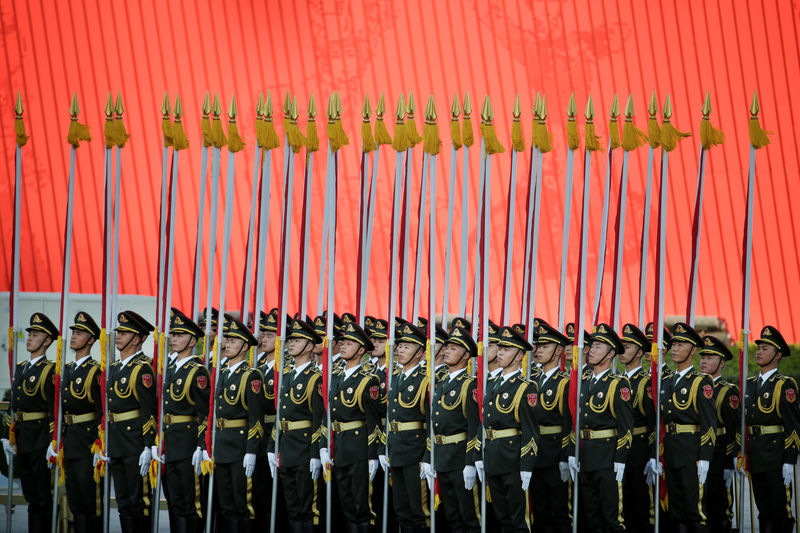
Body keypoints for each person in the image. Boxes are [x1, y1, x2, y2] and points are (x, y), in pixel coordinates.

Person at [572, 323, 633, 533]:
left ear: (611, 353)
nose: (591, 350)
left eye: (598, 346)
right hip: (586, 456)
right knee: (592, 518)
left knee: (612, 519)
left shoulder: (618, 384)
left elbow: (626, 427)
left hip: (607, 458)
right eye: (592, 346)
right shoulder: (583, 381)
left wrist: (620, 459)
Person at [320, 321, 381, 532]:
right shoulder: (335, 377)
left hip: (359, 448)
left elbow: (374, 423)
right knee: (345, 502)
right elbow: (327, 415)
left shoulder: (368, 380)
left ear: (361, 350)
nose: (343, 346)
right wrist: (322, 445)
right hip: (339, 446)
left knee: (360, 506)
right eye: (343, 342)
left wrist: (373, 455)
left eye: (349, 343)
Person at [656, 322, 716, 532]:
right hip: (672, 451)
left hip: (692, 453)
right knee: (677, 511)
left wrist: (705, 458)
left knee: (696, 512)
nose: (674, 348)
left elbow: (709, 424)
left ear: (693, 350)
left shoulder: (701, 382)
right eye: (673, 344)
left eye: (680, 344)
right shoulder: (667, 380)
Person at [268, 318, 325, 532]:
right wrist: (272, 447)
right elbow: (281, 414)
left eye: (297, 340)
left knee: (308, 507)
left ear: (310, 346)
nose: (291, 343)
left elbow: (319, 420)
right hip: (287, 448)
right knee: (292, 507)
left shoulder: (316, 378)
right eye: (290, 339)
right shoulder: (287, 375)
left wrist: (315, 454)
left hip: (304, 448)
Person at [2, 313, 57, 533]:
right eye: (30, 334)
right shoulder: (21, 367)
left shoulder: (50, 369)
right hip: (23, 437)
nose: (30, 338)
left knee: (41, 498)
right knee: (30, 495)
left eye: (35, 335)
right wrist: (8, 434)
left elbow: (53, 410)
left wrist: (54, 440)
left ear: (47, 341)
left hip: (40, 438)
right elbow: (13, 404)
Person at [481, 325, 538, 532]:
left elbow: (531, 431)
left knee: (519, 520)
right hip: (494, 457)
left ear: (518, 356)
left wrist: (526, 465)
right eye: (500, 348)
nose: (500, 353)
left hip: (513, 459)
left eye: (506, 350)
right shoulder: (493, 382)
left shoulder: (525, 386)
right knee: (502, 518)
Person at [423, 326, 481, 532]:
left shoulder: (470, 385)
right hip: (442, 458)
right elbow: (434, 424)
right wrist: (428, 457)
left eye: (453, 348)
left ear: (466, 355)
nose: (446, 351)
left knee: (469, 517)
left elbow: (475, 427)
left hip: (459, 458)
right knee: (453, 517)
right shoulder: (440, 382)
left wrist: (470, 463)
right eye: (446, 347)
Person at [157, 309, 210, 532]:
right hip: (170, 442)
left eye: (179, 335)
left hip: (188, 445)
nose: (173, 339)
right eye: (173, 335)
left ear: (192, 341)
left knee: (191, 504)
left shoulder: (198, 372)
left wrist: (201, 445)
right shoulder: (170, 369)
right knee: (175, 502)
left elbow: (204, 414)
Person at [745, 325, 800, 532]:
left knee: (780, 511)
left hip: (776, 455)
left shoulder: (784, 384)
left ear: (778, 355)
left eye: (765, 348)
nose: (759, 351)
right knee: (763, 510)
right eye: (759, 347)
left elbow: (793, 426)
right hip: (757, 454)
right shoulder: (750, 384)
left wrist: (789, 460)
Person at [211, 315, 264, 530]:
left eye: (233, 342)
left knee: (243, 504)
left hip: (239, 446)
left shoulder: (251, 376)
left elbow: (256, 419)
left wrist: (251, 451)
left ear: (244, 347)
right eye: (228, 340)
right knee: (225, 503)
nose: (228, 345)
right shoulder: (222, 373)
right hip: (222, 444)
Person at [106, 310, 157, 532]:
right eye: (118, 332)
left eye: (124, 333)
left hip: (135, 442)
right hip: (116, 441)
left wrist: (148, 445)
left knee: (139, 503)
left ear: (138, 339)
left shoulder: (144, 368)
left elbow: (149, 411)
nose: (118, 336)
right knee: (124, 503)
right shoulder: (115, 368)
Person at [55, 312, 103, 533]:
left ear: (92, 339)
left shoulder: (96, 370)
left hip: (87, 442)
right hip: (71, 441)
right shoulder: (66, 369)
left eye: (80, 333)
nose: (74, 336)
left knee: (89, 500)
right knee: (74, 499)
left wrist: (100, 442)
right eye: (73, 332)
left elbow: (102, 410)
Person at [382, 321, 431, 532]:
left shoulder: (426, 380)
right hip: (397, 450)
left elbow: (430, 422)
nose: (400, 350)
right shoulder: (396, 377)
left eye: (407, 347)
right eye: (400, 346)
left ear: (420, 352)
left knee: (419, 512)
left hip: (415, 453)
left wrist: (428, 457)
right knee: (401, 510)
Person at [530, 320, 573, 533]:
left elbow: (568, 424)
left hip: (555, 454)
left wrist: (566, 457)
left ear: (558, 351)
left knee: (558, 512)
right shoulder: (532, 380)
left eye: (545, 346)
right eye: (538, 346)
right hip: (535, 452)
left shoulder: (565, 382)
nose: (538, 350)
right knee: (539, 512)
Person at [697, 335, 739, 533]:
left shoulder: (727, 391)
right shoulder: (695, 385)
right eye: (703, 357)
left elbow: (733, 430)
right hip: (696, 451)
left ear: (722, 363)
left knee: (719, 506)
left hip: (718, 454)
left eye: (710, 357)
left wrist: (729, 462)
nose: (704, 361)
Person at [618, 323, 656, 533]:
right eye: (622, 345)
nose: (622, 351)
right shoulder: (617, 380)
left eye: (629, 346)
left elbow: (652, 425)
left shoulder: (646, 382)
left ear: (641, 352)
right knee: (625, 509)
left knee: (643, 506)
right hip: (621, 449)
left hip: (640, 449)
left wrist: (651, 455)